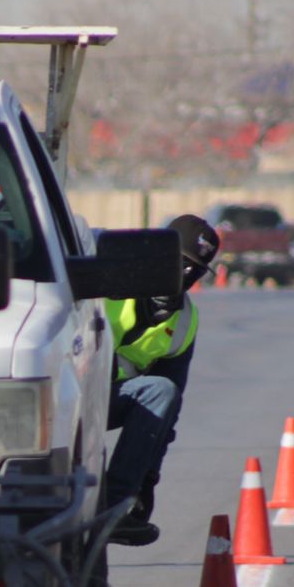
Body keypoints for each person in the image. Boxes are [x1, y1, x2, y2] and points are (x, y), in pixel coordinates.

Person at [103, 214, 218, 547]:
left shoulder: (185, 322)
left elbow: (165, 411)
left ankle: (116, 505)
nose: (185, 274)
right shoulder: (108, 281)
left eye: (195, 269)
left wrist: (147, 481)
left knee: (162, 391)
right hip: (67, 390)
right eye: (179, 262)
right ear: (156, 253)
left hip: (109, 399)